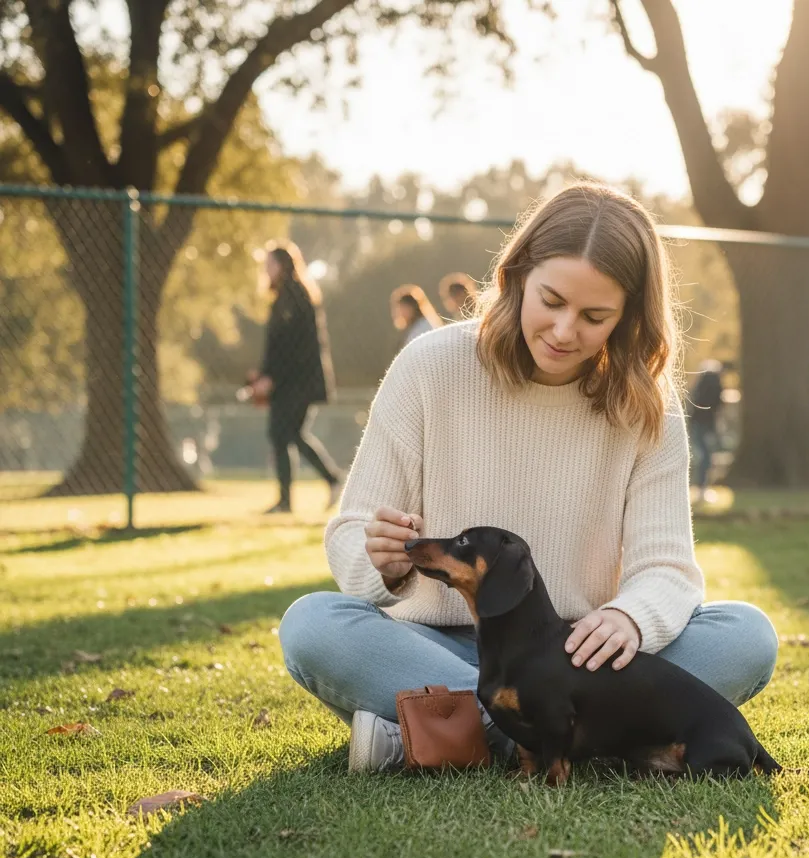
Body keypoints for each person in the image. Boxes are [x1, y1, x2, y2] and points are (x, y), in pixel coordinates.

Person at [279, 183, 778, 773]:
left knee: (746, 635)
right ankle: (549, 736)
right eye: (552, 300)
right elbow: (351, 532)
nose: (565, 331)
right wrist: (381, 562)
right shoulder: (430, 367)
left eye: (595, 316)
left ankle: (432, 732)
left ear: (629, 317)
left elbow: (666, 569)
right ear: (517, 275)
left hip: (579, 659)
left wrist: (628, 618)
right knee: (313, 624)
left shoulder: (647, 405)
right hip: (434, 644)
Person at [251, 242, 342, 514]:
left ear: (281, 266)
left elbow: (290, 347)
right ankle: (322, 484)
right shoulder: (288, 296)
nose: (266, 271)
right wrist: (263, 374)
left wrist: (271, 377)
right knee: (288, 434)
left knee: (284, 433)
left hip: (297, 383)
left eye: (270, 265)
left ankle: (319, 486)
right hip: (291, 381)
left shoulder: (293, 297)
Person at [687, 358, 728, 504]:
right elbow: (719, 404)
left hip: (697, 423)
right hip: (709, 424)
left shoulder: (701, 382)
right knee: (706, 456)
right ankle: (702, 488)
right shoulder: (715, 382)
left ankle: (698, 488)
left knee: (700, 455)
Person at [390, 285, 442, 349]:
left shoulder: (423, 327)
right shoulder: (416, 327)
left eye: (402, 308)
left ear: (411, 307)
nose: (399, 313)